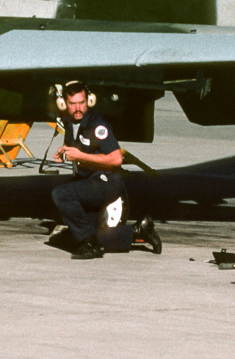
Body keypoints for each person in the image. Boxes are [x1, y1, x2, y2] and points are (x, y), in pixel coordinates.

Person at [50, 80, 162, 259]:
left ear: (88, 101)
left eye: (82, 102)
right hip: (88, 181)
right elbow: (77, 147)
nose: (78, 108)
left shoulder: (97, 125)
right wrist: (64, 152)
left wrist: (80, 156)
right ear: (64, 104)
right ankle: (139, 230)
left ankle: (88, 245)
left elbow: (116, 159)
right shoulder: (69, 122)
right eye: (73, 104)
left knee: (60, 194)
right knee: (80, 236)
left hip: (106, 183)